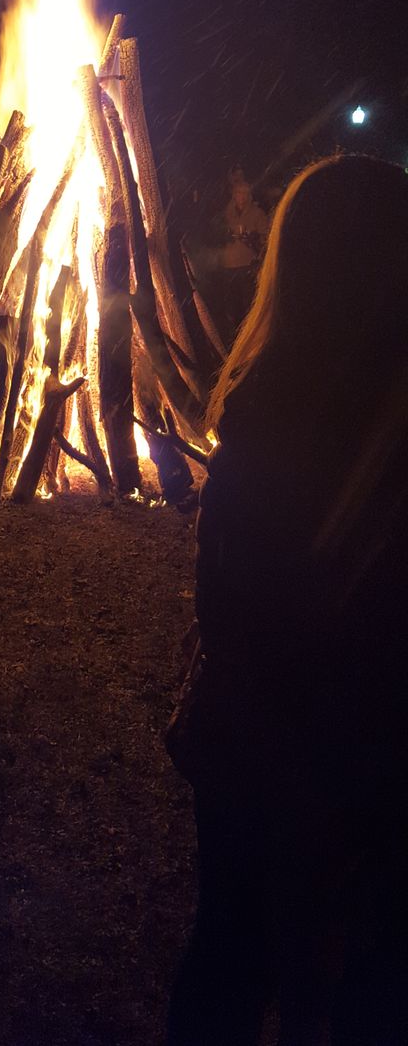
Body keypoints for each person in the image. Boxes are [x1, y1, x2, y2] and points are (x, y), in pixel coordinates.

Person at [166, 154, 408, 1045]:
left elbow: (221, 598)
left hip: (257, 749)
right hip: (361, 758)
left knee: (231, 951)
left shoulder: (263, 412)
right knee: (364, 974)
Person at [215, 166, 270, 345]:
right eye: (239, 192)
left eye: (245, 193)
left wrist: (255, 239)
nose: (242, 196)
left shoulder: (257, 213)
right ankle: (235, 340)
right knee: (232, 307)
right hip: (229, 266)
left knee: (249, 305)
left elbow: (266, 237)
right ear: (234, 195)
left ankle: (252, 339)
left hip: (247, 265)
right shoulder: (227, 214)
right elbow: (218, 234)